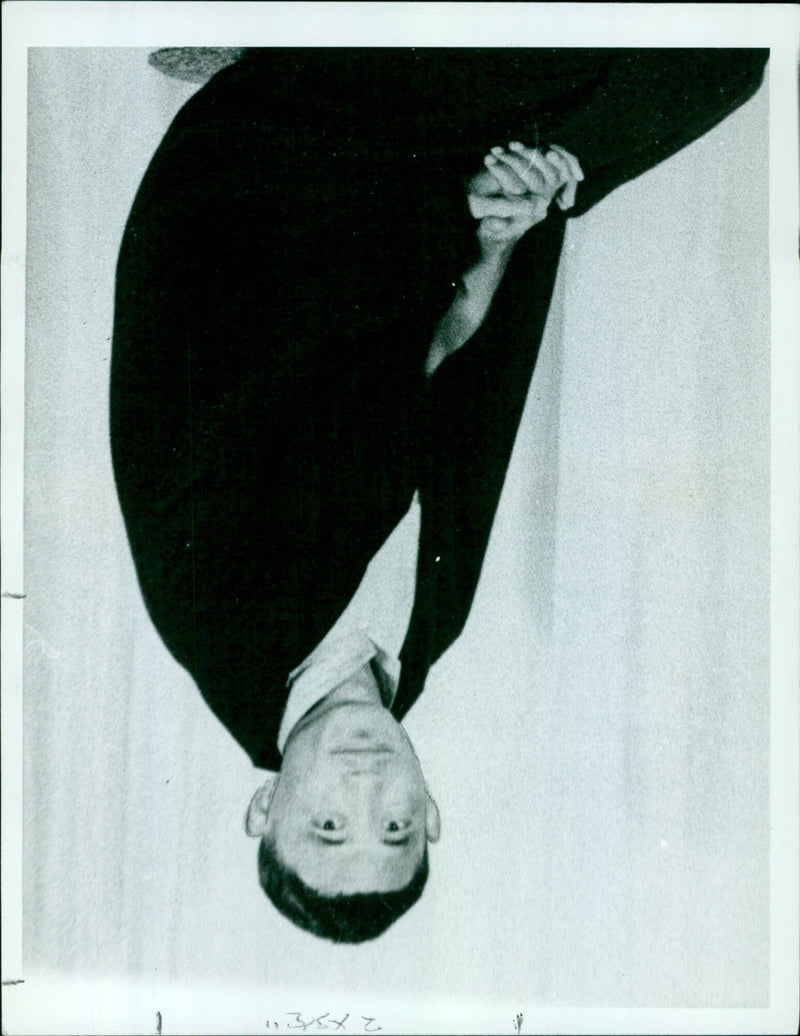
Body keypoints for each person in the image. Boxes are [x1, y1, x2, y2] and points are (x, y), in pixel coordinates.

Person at [110, 48, 767, 941]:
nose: (366, 786)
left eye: (328, 825)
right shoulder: (419, 644)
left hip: (270, 180)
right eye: (397, 826)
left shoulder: (219, 619)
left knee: (600, 58)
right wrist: (501, 234)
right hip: (421, 227)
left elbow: (263, 336)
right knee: (719, 67)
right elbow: (444, 376)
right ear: (434, 811)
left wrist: (456, 209)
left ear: (265, 809)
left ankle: (271, 57)